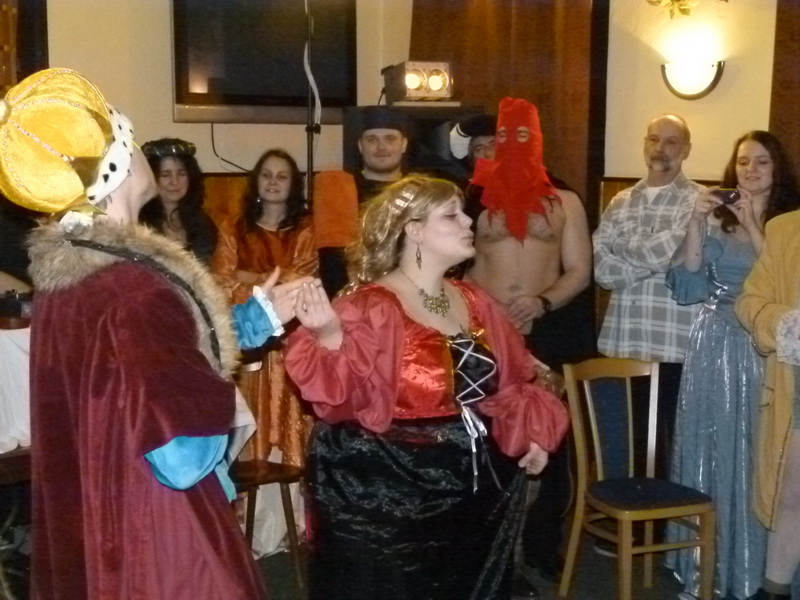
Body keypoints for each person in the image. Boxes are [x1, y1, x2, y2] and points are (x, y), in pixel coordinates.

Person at [0, 68, 266, 599]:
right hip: (161, 531)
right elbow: (182, 453)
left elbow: (131, 378)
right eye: (134, 138)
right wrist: (212, 396)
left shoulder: (71, 280)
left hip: (104, 523)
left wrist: (257, 319)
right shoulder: (134, 289)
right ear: (119, 164)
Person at [284, 174, 570, 600]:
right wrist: (329, 336)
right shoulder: (370, 305)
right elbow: (336, 401)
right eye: (451, 215)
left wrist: (532, 433)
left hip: (470, 483)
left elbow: (510, 380)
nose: (469, 222)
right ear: (414, 230)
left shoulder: (474, 300)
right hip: (385, 491)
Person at [463, 98, 594, 590]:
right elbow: (454, 265)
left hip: (543, 333)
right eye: (504, 136)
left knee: (545, 445)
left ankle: (538, 548)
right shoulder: (473, 197)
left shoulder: (567, 201)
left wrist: (541, 302)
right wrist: (481, 311)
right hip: (485, 333)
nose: (512, 145)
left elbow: (580, 271)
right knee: (485, 444)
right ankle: (492, 555)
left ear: (538, 140)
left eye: (523, 136)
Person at [665, 131, 800, 600]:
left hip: (773, 350)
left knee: (769, 460)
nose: (750, 170)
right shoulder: (719, 219)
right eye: (743, 161)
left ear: (778, 168)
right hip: (717, 347)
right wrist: (695, 223)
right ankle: (710, 569)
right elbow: (689, 285)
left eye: (761, 161)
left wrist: (755, 228)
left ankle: (766, 574)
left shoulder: (789, 222)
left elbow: (780, 282)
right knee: (714, 452)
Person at [593, 113, 704, 481]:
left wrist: (624, 248)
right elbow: (601, 270)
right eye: (654, 139)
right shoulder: (620, 201)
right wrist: (655, 261)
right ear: (645, 144)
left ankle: (664, 518)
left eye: (672, 142)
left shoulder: (698, 201)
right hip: (622, 344)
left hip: (673, 348)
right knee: (624, 448)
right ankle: (628, 517)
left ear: (686, 150)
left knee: (670, 451)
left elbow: (669, 251)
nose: (660, 149)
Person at [211, 148, 317, 469]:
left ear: (293, 185)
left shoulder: (307, 230)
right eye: (267, 175)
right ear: (256, 181)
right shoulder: (234, 227)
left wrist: (249, 277)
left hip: (292, 343)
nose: (273, 182)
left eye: (282, 176)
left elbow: (301, 282)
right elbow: (220, 282)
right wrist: (266, 284)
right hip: (248, 342)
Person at [736, 154, 800, 600]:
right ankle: (773, 591)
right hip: (798, 383)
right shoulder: (785, 229)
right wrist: (786, 322)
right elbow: (750, 302)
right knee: (792, 493)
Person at [313, 106, 408, 297]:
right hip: (356, 296)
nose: (381, 147)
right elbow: (333, 261)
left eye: (390, 139)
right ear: (360, 146)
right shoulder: (339, 189)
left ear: (404, 145)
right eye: (372, 140)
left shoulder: (421, 191)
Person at [139, 138, 218, 263]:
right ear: (150, 178)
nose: (175, 182)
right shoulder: (139, 225)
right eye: (165, 175)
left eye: (182, 174)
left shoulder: (203, 223)